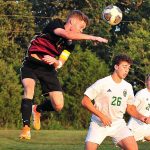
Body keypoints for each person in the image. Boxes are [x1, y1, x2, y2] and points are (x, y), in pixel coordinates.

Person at [19, 10, 108, 140]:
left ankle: (37, 109)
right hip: (31, 64)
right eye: (81, 27)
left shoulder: (70, 44)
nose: (82, 31)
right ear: (71, 22)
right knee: (29, 88)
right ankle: (26, 129)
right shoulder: (56, 24)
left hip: (47, 69)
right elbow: (65, 33)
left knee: (58, 105)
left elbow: (61, 62)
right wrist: (93, 37)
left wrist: (56, 62)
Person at [81, 54, 148, 150]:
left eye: (128, 68)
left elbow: (130, 108)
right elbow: (85, 101)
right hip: (99, 123)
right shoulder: (102, 83)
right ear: (116, 67)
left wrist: (142, 117)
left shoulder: (128, 87)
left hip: (118, 124)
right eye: (124, 67)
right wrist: (102, 116)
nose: (127, 70)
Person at [127, 74, 150, 142]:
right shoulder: (141, 93)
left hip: (147, 126)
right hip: (135, 126)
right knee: (128, 147)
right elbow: (131, 108)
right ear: (146, 82)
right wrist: (143, 117)